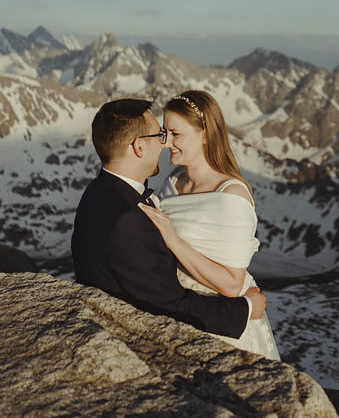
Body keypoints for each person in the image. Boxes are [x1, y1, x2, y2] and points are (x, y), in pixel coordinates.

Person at [72, 98, 265, 340]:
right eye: (160, 135)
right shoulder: (128, 218)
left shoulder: (97, 191)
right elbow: (166, 302)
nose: (165, 145)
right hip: (196, 321)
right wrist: (244, 309)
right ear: (139, 147)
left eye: (174, 134)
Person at [137, 90, 280, 360]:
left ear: (204, 134)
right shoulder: (173, 183)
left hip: (222, 321)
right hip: (181, 311)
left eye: (176, 134)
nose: (167, 143)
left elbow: (231, 285)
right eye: (165, 133)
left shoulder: (231, 195)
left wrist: (173, 239)